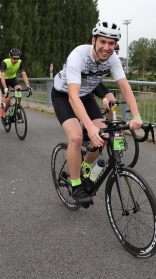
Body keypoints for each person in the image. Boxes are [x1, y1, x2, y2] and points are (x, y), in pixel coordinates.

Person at [51, 21, 143, 205]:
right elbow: (73, 97)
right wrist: (90, 127)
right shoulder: (78, 56)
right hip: (64, 95)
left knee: (104, 135)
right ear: (94, 40)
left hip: (85, 96)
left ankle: (85, 166)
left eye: (111, 43)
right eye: (103, 42)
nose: (107, 47)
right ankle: (76, 185)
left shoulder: (113, 59)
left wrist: (136, 115)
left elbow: (124, 86)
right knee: (77, 137)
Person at [0, 48, 32, 124]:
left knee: (19, 90)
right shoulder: (5, 62)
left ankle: (18, 110)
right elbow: (3, 77)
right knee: (8, 99)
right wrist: (5, 88)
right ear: (10, 57)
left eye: (17, 58)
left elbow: (24, 74)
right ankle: (4, 113)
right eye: (14, 58)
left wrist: (28, 86)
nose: (16, 60)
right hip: (3, 79)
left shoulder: (20, 62)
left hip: (12, 78)